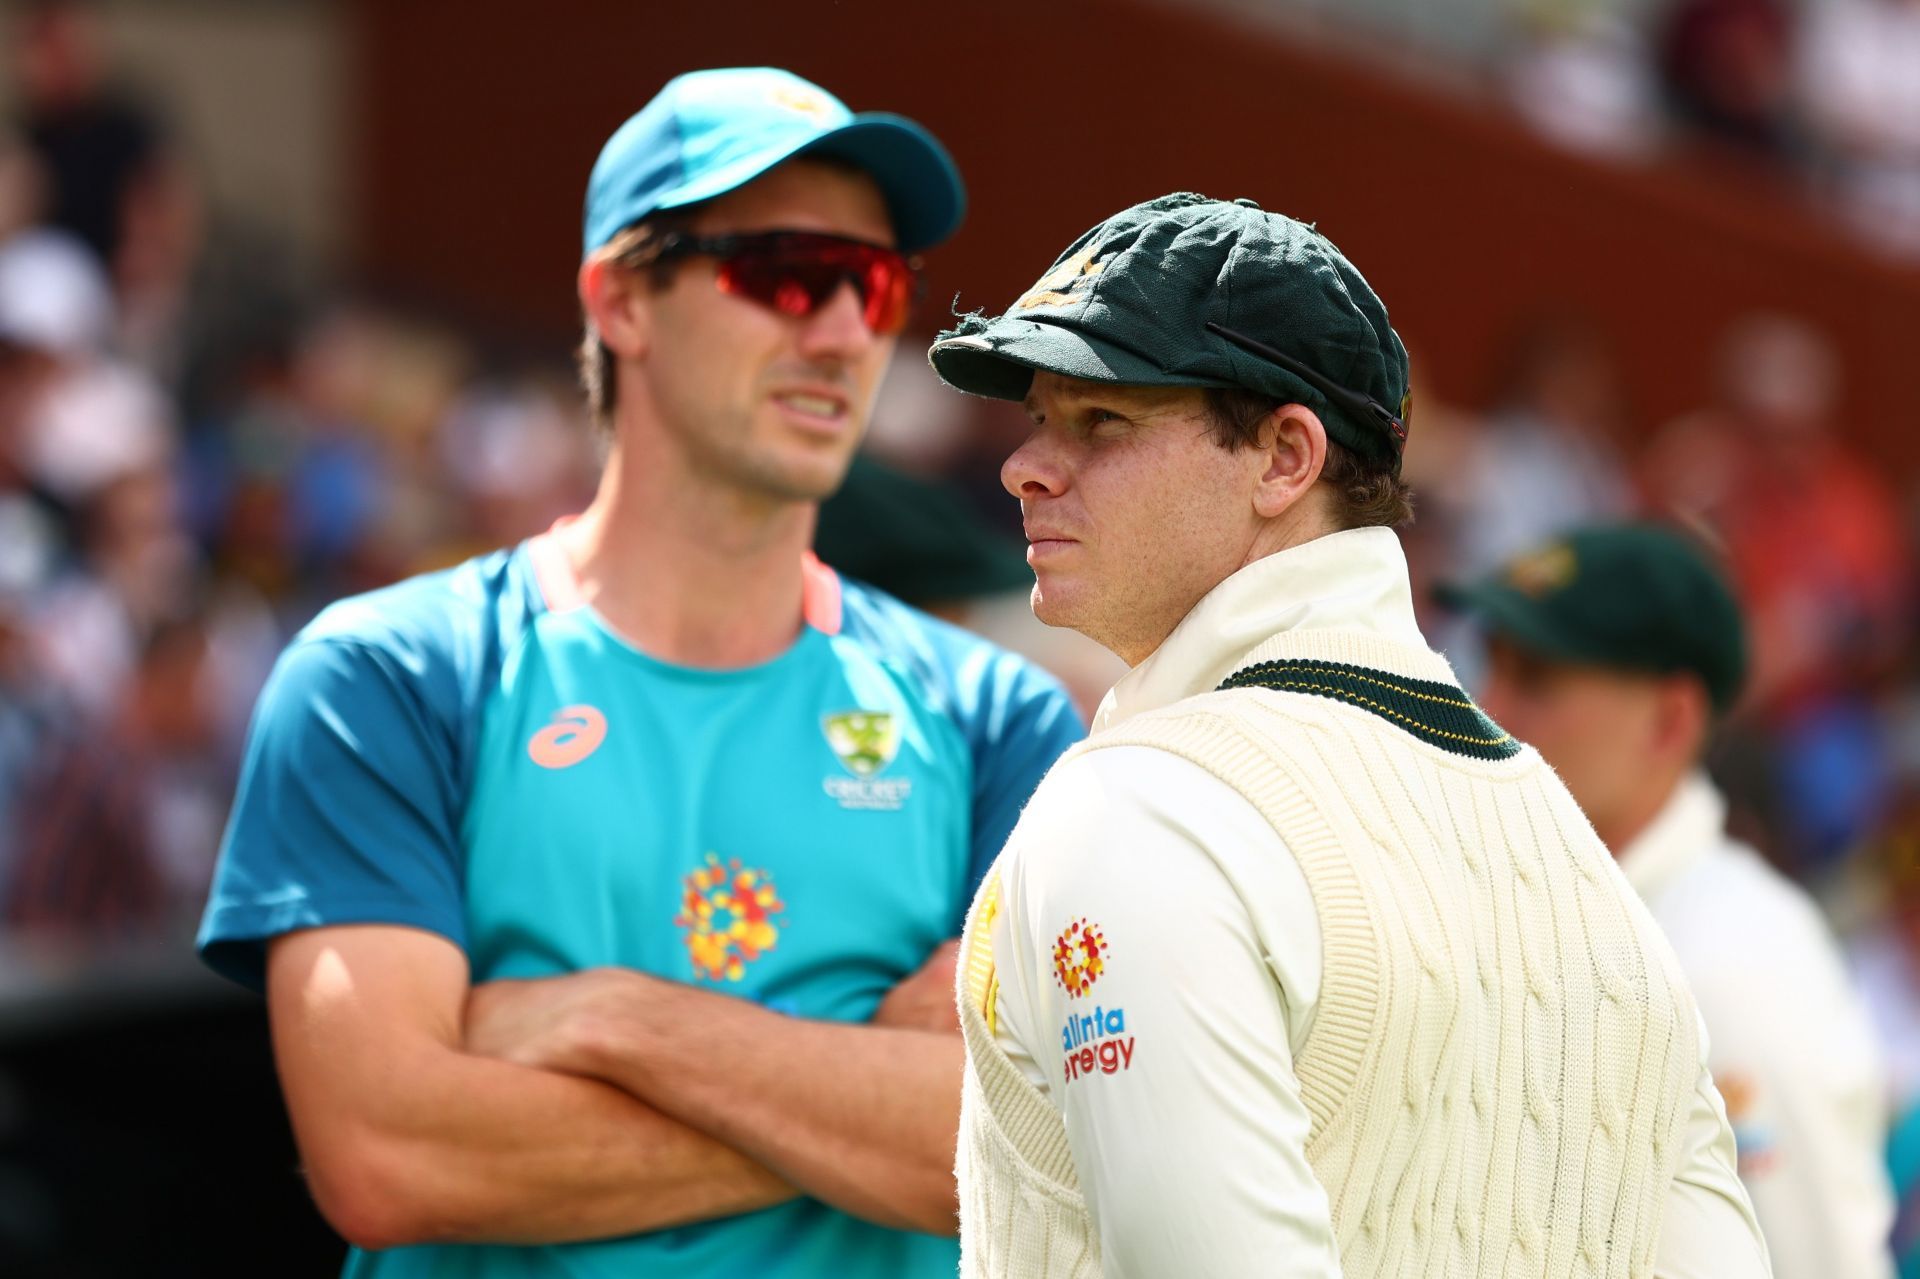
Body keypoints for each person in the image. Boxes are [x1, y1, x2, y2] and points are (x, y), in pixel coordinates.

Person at [196, 67, 1082, 1278]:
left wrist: (612, 1019)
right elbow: (390, 1157)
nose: (840, 331)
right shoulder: (391, 677)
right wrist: (862, 1085)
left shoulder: (995, 716)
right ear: (620, 300)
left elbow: (1048, 1152)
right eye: (783, 273)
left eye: (875, 286)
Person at [926, 192, 1769, 1277]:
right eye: (1040, 419)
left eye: (1103, 422)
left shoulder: (1137, 808)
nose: (1026, 466)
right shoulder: (1581, 856)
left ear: (1286, 458)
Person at [1445, 522, 1896, 1279]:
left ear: (1671, 718)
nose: (1487, 704)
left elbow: (1812, 1263)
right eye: (1491, 665)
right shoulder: (1558, 909)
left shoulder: (1724, 967)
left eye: (1539, 678)